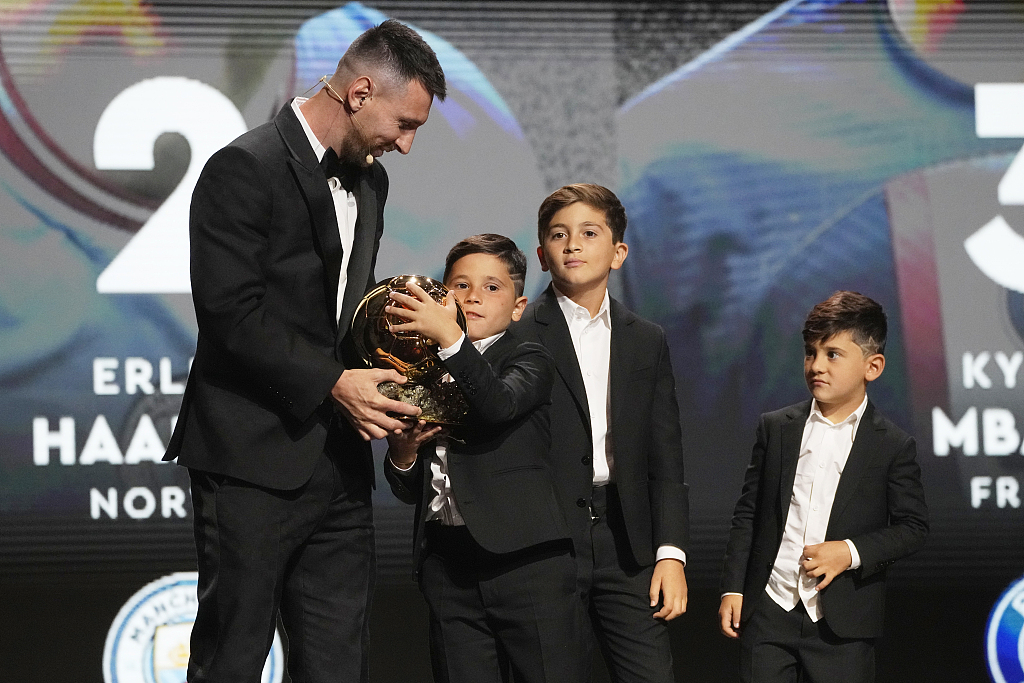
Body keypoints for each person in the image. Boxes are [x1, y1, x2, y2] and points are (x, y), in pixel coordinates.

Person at [162, 19, 446, 683]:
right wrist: (333, 381)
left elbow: (339, 312)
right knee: (232, 658)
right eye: (404, 124)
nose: (405, 145)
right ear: (361, 91)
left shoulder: (370, 183)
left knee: (338, 664)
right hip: (249, 459)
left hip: (340, 467)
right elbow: (231, 312)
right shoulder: (243, 167)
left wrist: (399, 356)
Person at [382, 234, 585, 683]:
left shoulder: (529, 356)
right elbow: (412, 485)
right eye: (459, 285)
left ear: (519, 306)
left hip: (527, 563)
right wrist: (402, 455)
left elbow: (497, 406)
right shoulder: (423, 368)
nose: (473, 297)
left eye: (492, 287)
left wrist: (452, 338)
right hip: (447, 568)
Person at [513, 184, 689, 683]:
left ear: (618, 253)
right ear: (543, 256)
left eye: (589, 233)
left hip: (625, 540)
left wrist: (670, 554)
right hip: (546, 538)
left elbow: (666, 456)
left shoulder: (646, 339)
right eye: (558, 235)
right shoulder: (519, 333)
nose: (573, 245)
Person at [718, 290, 928, 683]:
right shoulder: (777, 428)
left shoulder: (892, 445)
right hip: (769, 612)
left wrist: (848, 553)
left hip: (843, 627)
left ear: (873, 366)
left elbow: (913, 527)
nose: (817, 365)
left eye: (833, 354)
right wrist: (733, 589)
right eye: (810, 352)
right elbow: (748, 513)